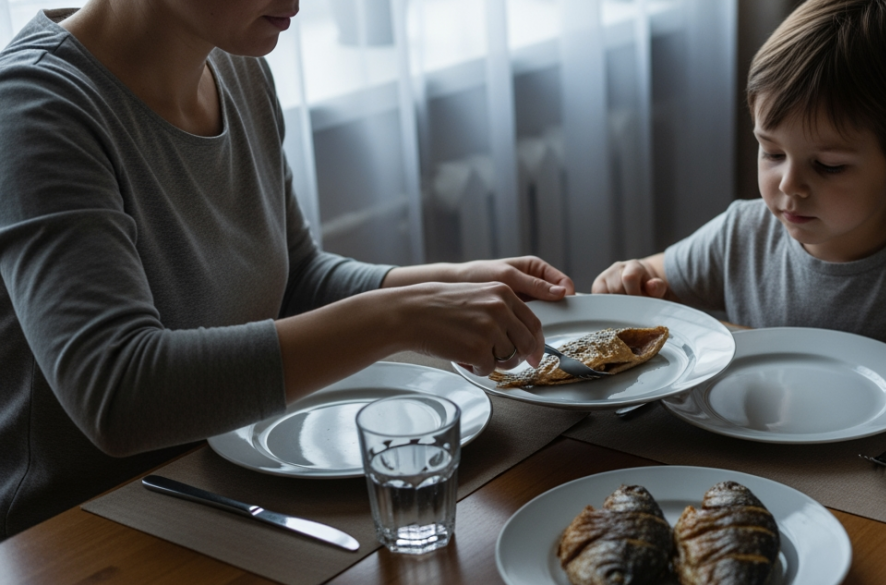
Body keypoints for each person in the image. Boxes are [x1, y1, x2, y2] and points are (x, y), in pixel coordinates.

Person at [0, 2, 573, 538]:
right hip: (82, 536)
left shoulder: (237, 68)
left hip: (216, 492)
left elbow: (295, 280)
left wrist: (441, 285)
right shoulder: (35, 108)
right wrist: (400, 317)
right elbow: (118, 394)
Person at [592, 0, 886, 390]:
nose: (789, 184)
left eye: (828, 165)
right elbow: (655, 279)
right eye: (772, 153)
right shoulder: (741, 234)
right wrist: (628, 279)